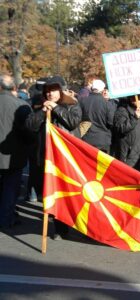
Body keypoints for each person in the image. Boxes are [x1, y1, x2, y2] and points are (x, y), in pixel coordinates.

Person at [25, 76, 82, 240]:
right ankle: (59, 227)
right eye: (47, 91)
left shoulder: (73, 106)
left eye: (53, 90)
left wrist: (56, 108)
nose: (50, 94)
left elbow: (73, 122)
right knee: (53, 193)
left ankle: (74, 222)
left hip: (67, 158)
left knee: (69, 193)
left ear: (61, 91)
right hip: (47, 159)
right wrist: (42, 112)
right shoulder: (41, 108)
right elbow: (30, 126)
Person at [0, 75, 32, 229]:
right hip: (15, 155)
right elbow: (29, 131)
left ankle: (6, 216)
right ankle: (6, 218)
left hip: (12, 153)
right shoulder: (21, 105)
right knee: (10, 188)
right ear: (13, 88)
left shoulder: (22, 105)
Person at [113, 95, 140, 177]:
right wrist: (134, 118)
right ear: (133, 99)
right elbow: (121, 129)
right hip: (130, 156)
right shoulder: (122, 111)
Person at [79, 79, 115, 154]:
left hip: (86, 138)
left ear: (92, 88)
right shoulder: (107, 104)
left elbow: (78, 118)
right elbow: (111, 122)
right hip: (102, 141)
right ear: (102, 90)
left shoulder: (82, 101)